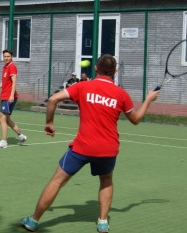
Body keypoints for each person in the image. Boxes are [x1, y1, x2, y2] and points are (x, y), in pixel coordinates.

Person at [20, 54, 160, 232]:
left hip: (82, 147)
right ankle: (102, 222)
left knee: (57, 181)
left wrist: (49, 123)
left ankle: (33, 221)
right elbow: (136, 119)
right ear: (115, 72)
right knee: (106, 180)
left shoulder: (83, 86)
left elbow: (54, 99)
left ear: (95, 68)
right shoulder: (121, 94)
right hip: (108, 149)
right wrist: (148, 100)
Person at [0, 49, 27, 148]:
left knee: (1, 117)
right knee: (7, 119)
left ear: (11, 57)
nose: (6, 58)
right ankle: (21, 136)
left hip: (9, 97)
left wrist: (11, 95)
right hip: (6, 96)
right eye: (5, 56)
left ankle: (4, 142)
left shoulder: (12, 67)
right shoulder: (5, 67)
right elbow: (5, 82)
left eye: (8, 56)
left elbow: (14, 82)